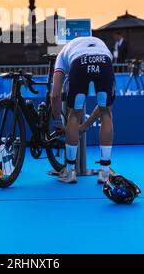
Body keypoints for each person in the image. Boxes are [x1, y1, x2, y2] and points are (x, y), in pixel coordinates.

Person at [51, 36, 115, 184]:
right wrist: (86, 124)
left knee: (73, 115)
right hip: (104, 61)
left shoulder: (62, 55)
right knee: (107, 113)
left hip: (79, 63)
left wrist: (57, 120)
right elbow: (103, 106)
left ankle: (70, 171)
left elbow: (55, 96)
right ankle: (105, 171)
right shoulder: (102, 45)